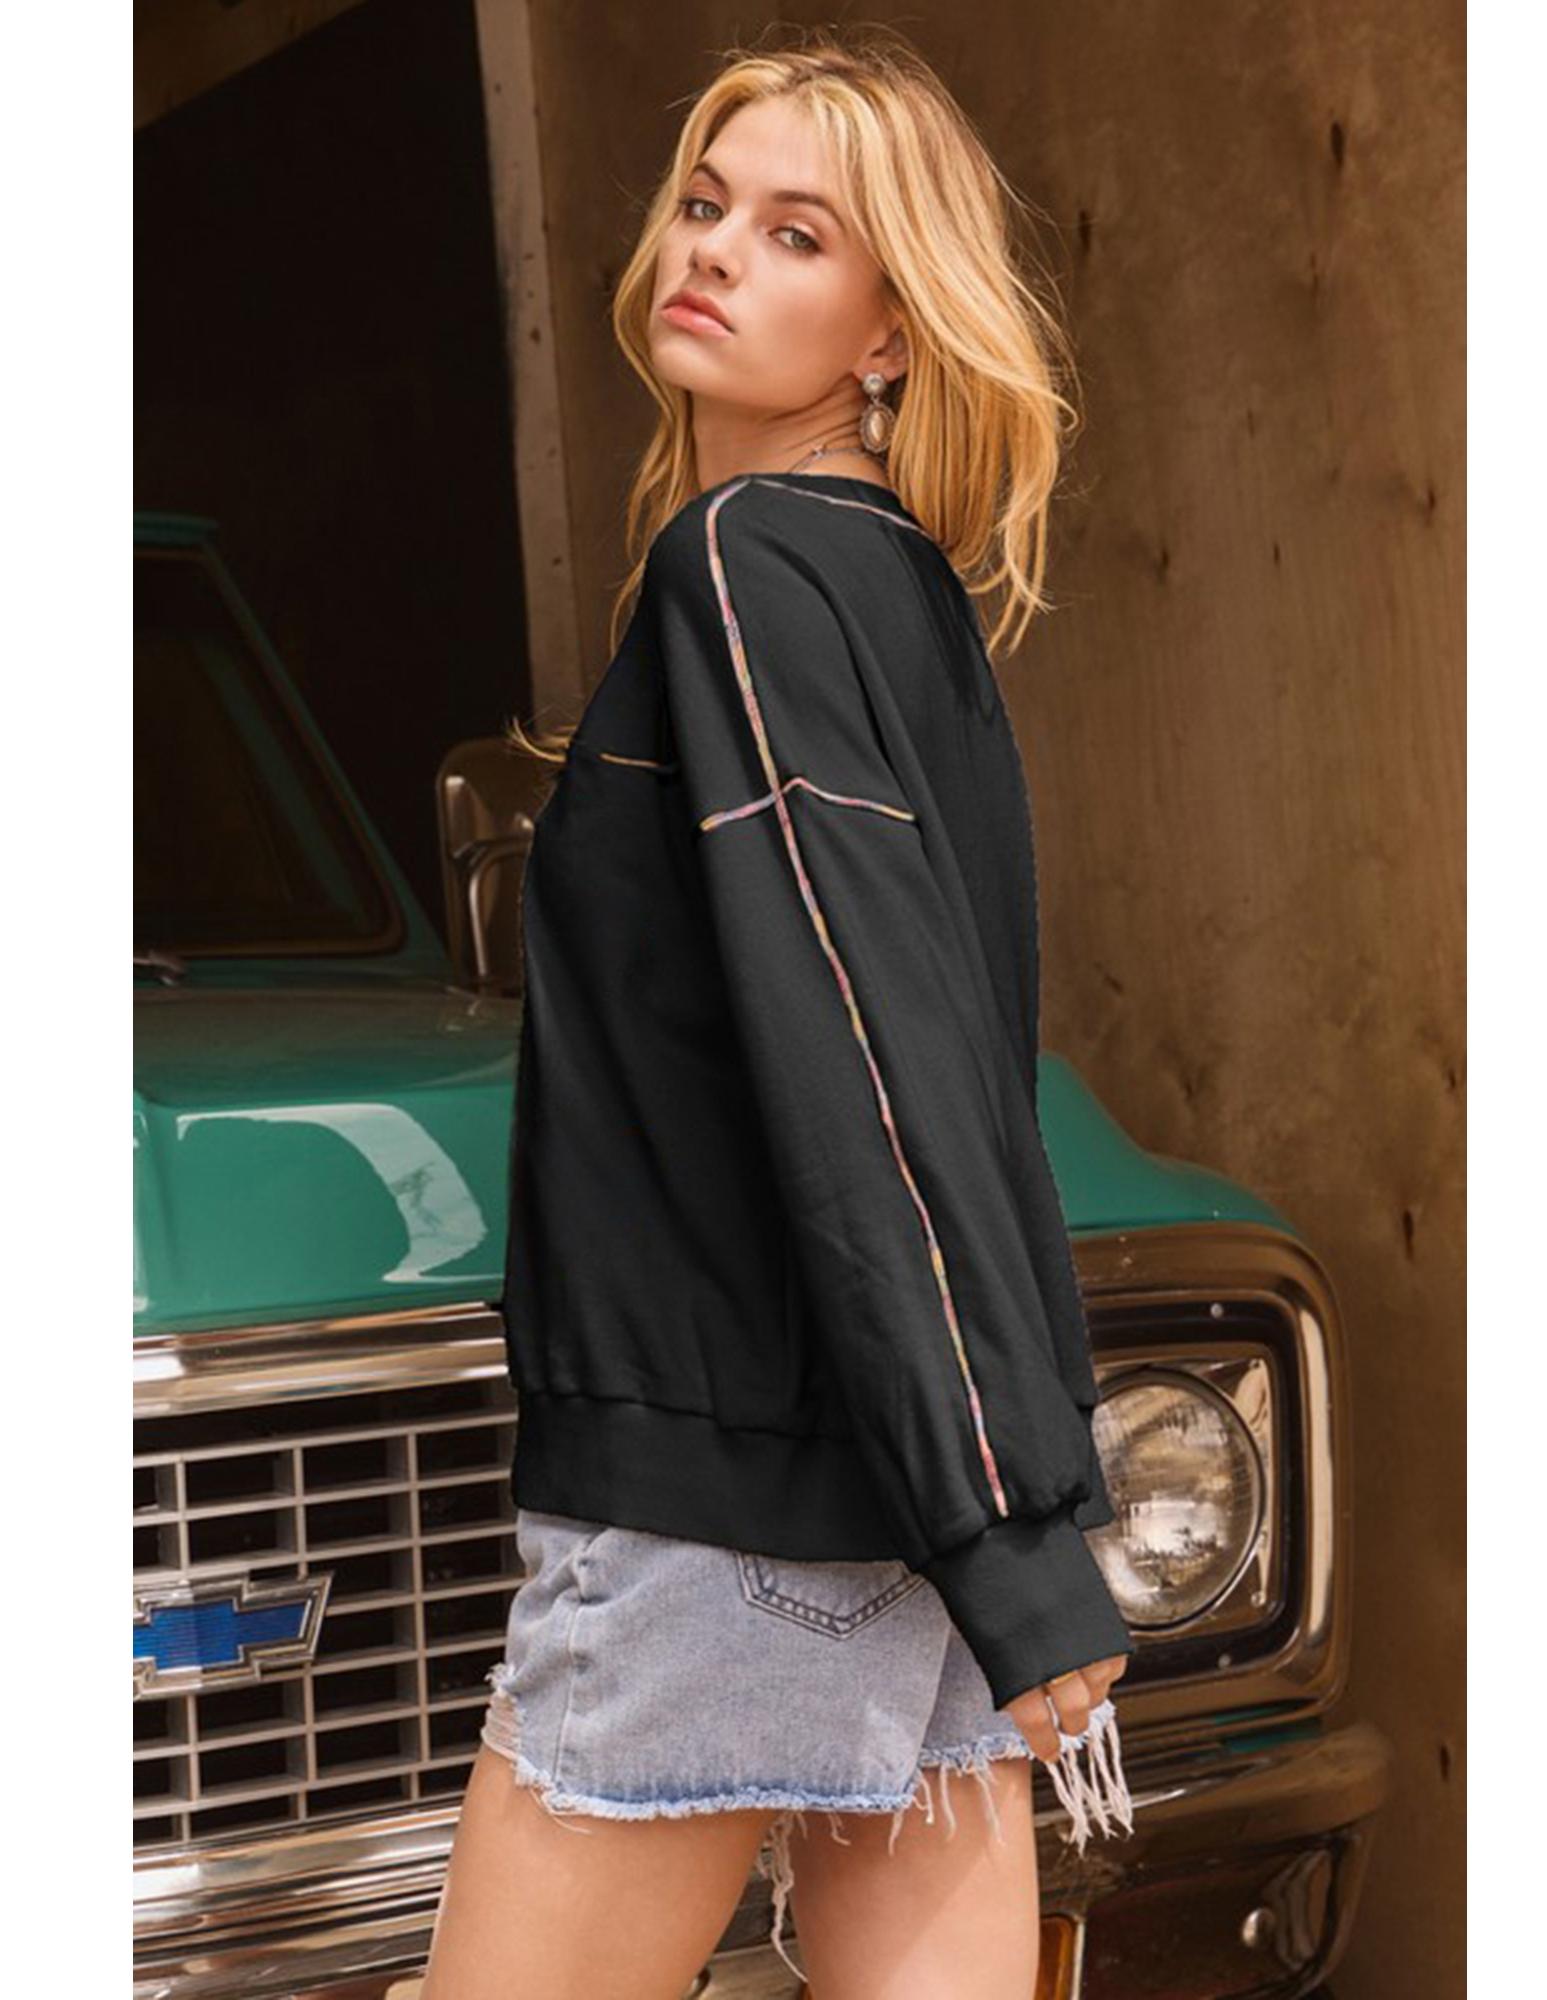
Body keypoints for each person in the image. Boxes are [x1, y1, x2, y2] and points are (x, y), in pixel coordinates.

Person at [422, 27, 1135, 2000]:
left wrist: (1006, 1539)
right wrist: (1004, 1514)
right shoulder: (897, 591)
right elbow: (952, 1073)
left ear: (891, 328)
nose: (715, 249)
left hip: (726, 1511)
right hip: (907, 1494)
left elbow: (875, 1060)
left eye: (797, 231)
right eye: (705, 202)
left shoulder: (741, 564)